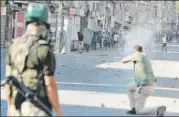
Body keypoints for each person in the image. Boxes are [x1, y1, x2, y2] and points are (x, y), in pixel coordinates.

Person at [4, 3, 62, 116]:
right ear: (45, 25)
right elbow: (50, 84)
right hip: (38, 110)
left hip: (17, 109)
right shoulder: (44, 50)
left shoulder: (13, 47)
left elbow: (8, 82)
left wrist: (10, 107)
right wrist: (58, 112)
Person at [121, 45, 166, 116]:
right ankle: (133, 108)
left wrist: (132, 56)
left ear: (135, 51)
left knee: (139, 111)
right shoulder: (144, 55)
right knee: (129, 87)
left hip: (144, 87)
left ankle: (156, 110)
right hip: (149, 85)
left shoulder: (137, 55)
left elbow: (123, 60)